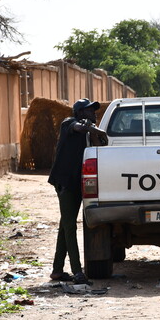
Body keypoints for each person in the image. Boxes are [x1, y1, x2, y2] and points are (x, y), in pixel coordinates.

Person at [47, 98, 108, 283]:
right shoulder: (69, 123)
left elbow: (100, 147)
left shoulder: (88, 133)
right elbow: (78, 127)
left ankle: (57, 271)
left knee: (65, 225)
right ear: (80, 113)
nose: (94, 113)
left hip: (77, 184)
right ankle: (77, 271)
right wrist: (93, 128)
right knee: (70, 226)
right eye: (90, 110)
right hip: (65, 183)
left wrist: (95, 132)